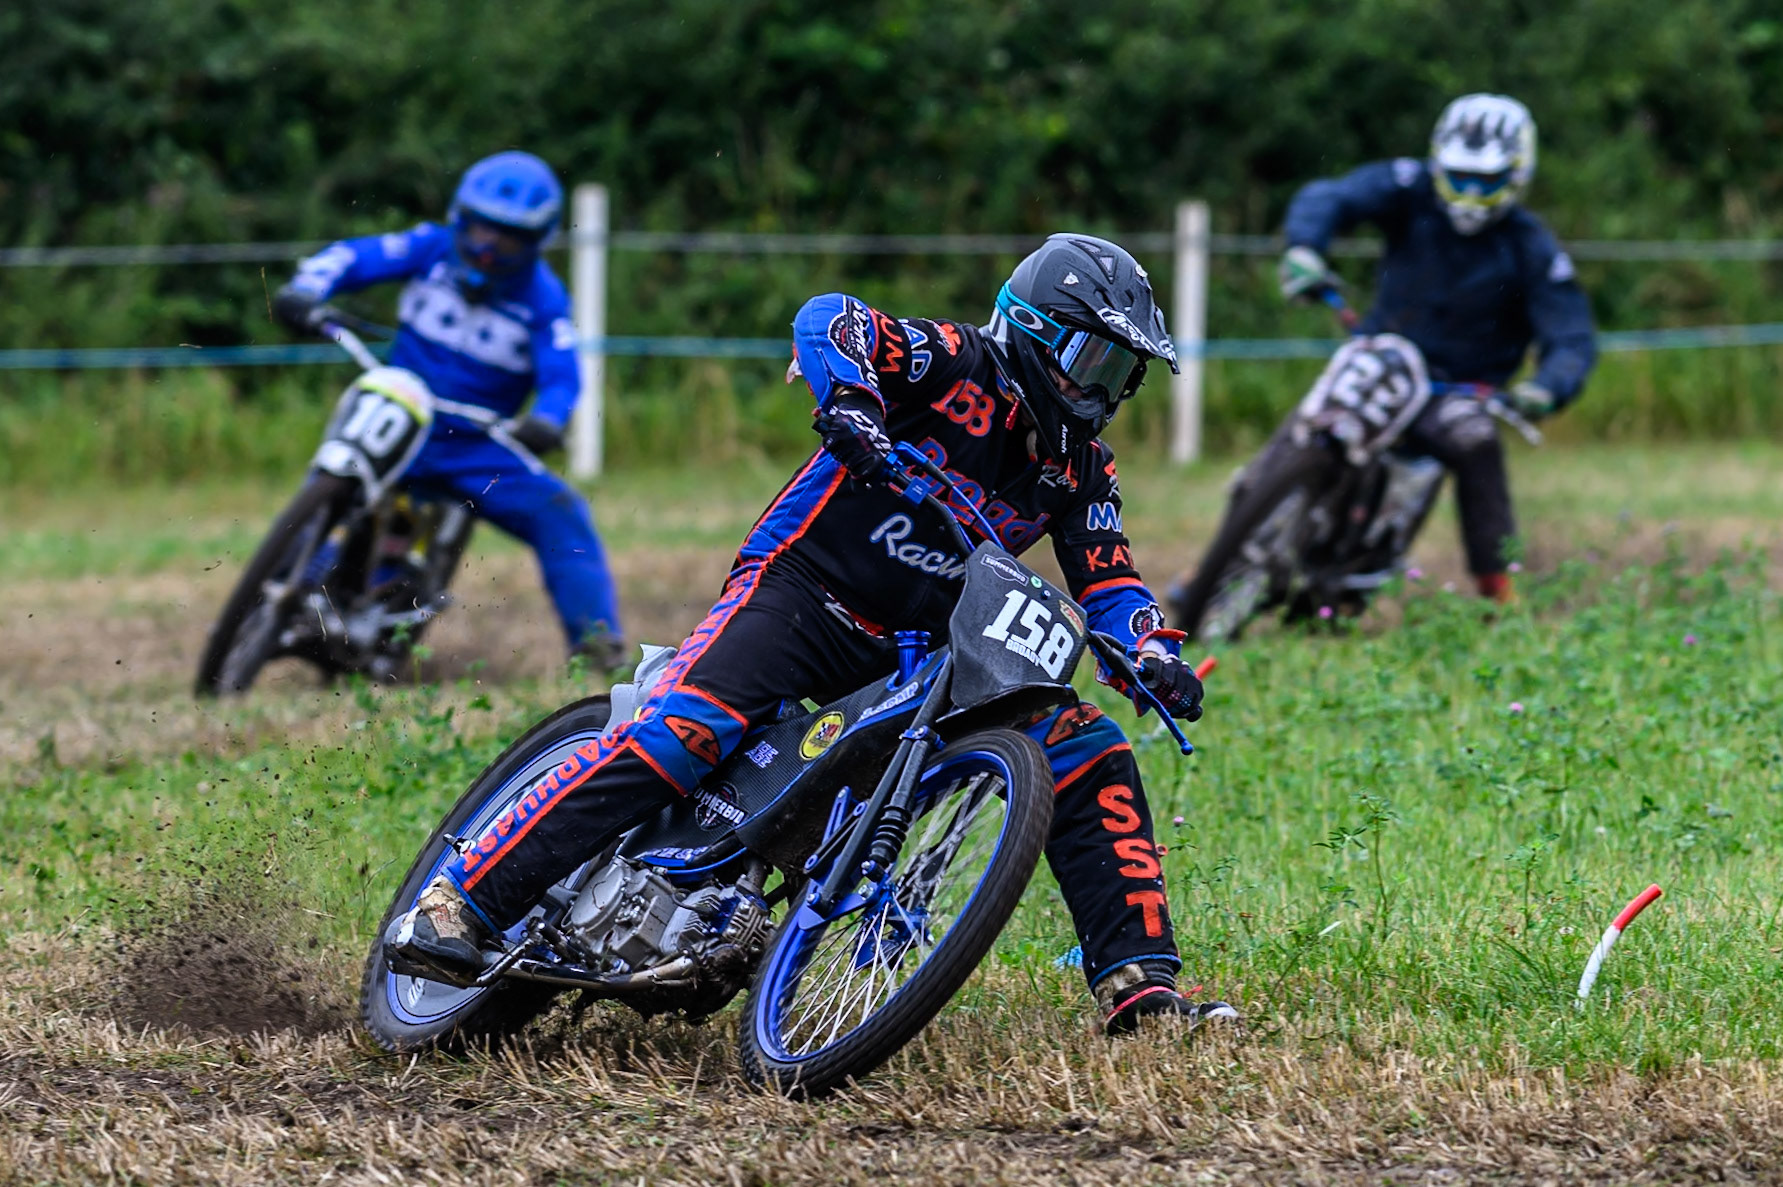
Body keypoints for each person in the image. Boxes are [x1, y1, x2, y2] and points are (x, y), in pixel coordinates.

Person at [389, 233, 1240, 1035]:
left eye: (1121, 370)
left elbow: (1110, 572)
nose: (1102, 390)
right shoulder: (953, 361)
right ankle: (462, 899)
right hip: (800, 590)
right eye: (1093, 359)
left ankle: (1141, 987)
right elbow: (833, 316)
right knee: (686, 731)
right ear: (1033, 330)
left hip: (920, 644)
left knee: (1085, 743)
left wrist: (1152, 650)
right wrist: (851, 404)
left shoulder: (1082, 467)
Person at [1194, 93, 1597, 607]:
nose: (1470, 193)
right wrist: (1304, 248)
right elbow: (1331, 196)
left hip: (1453, 391)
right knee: (1312, 417)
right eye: (1459, 176)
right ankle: (1221, 549)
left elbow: (1572, 337)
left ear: (1518, 175)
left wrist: (1547, 387)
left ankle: (1499, 587)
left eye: (1487, 181)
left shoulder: (1533, 248)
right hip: (1382, 357)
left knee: (1476, 442)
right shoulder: (1409, 188)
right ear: (1437, 163)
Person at [271, 150, 624, 664]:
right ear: (460, 217)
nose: (487, 247)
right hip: (398, 416)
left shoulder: (544, 300)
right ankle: (281, 586)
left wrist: (548, 420)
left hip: (476, 446)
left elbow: (563, 376)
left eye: (509, 237)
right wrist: (305, 290)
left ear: (536, 241)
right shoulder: (428, 248)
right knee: (331, 482)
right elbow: (352, 257)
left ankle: (598, 649)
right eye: (480, 229)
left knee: (562, 513)